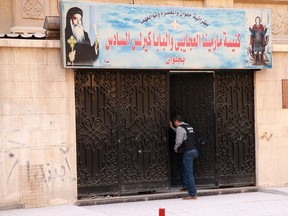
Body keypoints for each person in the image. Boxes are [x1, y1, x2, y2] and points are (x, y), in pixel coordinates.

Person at [170, 115, 198, 200]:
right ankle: (185, 186)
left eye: (174, 123)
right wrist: (172, 128)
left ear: (176, 121)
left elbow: (179, 140)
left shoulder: (179, 128)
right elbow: (183, 134)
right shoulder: (188, 126)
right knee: (185, 169)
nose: (175, 125)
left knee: (189, 173)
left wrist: (175, 149)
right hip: (194, 151)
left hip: (188, 152)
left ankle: (192, 194)